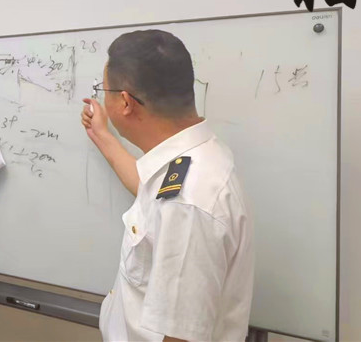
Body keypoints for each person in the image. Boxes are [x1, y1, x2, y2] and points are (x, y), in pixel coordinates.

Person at [80, 30, 254, 341]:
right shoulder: (195, 157)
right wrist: (102, 135)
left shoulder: (188, 205)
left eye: (103, 90)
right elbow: (151, 192)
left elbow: (181, 336)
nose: (102, 97)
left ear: (125, 102)